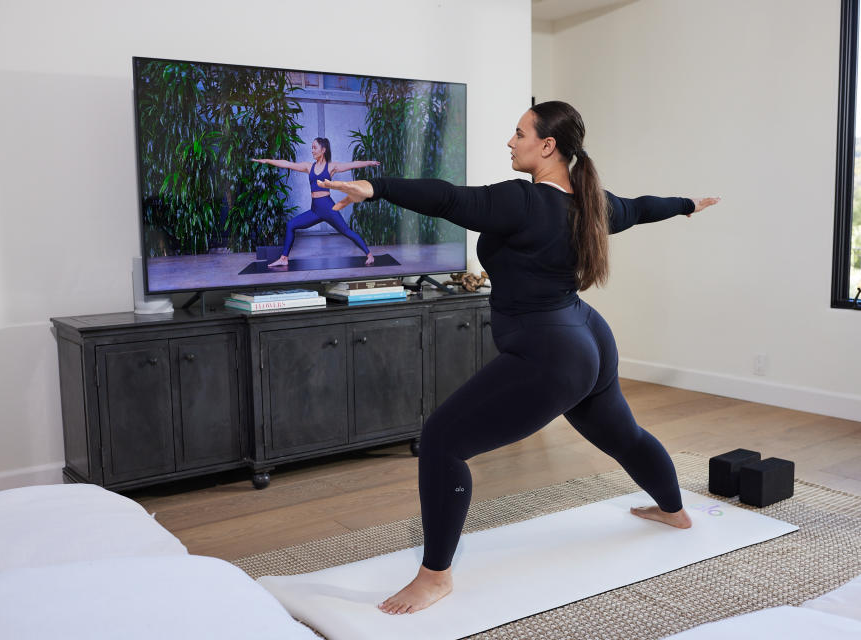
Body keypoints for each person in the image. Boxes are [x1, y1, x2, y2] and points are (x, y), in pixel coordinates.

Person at [319, 101, 721, 616]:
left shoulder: (523, 201)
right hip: (588, 335)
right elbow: (642, 207)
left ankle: (434, 577)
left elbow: (447, 198)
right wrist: (687, 203)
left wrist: (377, 187)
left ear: (547, 146)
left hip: (551, 351)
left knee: (442, 439)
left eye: (519, 133)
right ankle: (674, 512)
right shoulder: (595, 202)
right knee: (625, 435)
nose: (511, 142)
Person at [251, 138, 380, 267]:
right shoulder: (309, 166)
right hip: (315, 210)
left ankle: (369, 255)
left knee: (346, 231)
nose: (312, 150)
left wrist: (369, 163)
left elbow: (352, 164)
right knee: (291, 225)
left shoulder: (331, 166)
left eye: (315, 148)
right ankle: (284, 258)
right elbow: (288, 164)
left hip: (328, 208)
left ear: (323, 150)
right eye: (311, 147)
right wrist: (267, 161)